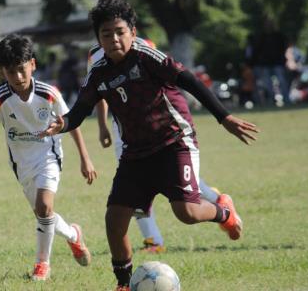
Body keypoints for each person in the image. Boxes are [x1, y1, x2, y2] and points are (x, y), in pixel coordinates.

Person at [40, 0, 259, 290]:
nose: (115, 39)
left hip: (174, 143)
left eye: (120, 31)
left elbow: (190, 81)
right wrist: (63, 123)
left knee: (187, 213)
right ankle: (123, 284)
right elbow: (80, 110)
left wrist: (224, 117)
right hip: (135, 154)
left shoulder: (147, 56)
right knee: (114, 221)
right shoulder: (99, 71)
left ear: (132, 31)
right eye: (107, 34)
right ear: (99, 39)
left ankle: (225, 213)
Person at [0, 34, 96, 281]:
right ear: (2, 71)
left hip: (49, 155)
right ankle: (73, 235)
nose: (17, 77)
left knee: (44, 207)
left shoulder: (49, 93)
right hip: (21, 164)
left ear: (33, 65)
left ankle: (42, 265)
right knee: (44, 215)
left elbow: (71, 124)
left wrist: (85, 158)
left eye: (21, 69)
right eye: (10, 72)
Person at [89, 38, 230, 253]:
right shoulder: (95, 56)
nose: (113, 36)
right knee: (134, 191)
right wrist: (102, 126)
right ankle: (153, 240)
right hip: (125, 134)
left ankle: (218, 202)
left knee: (180, 186)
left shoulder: (144, 47)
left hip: (159, 131)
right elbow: (98, 92)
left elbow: (167, 79)